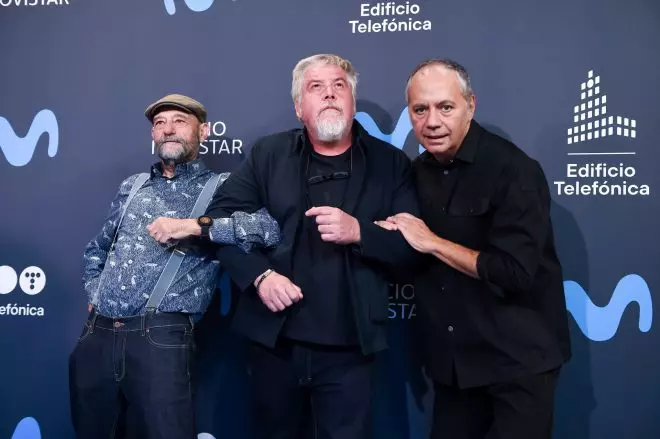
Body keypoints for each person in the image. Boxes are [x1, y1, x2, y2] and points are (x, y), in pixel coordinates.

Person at [204, 54, 420, 439]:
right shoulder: (266, 154)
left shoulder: (392, 164)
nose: (330, 95)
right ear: (299, 107)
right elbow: (221, 225)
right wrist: (260, 276)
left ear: (352, 101)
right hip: (274, 346)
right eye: (315, 87)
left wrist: (360, 231)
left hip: (352, 352)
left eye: (340, 86)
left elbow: (411, 248)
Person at [68, 94, 280, 439]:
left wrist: (195, 225)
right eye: (159, 123)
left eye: (180, 121)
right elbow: (97, 249)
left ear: (204, 131)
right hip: (97, 335)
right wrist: (95, 293)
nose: (168, 129)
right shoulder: (132, 186)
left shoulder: (222, 187)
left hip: (161, 336)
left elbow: (269, 229)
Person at [383, 59, 572, 439]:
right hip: (456, 368)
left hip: (517, 364)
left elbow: (514, 272)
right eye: (420, 109)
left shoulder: (514, 170)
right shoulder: (415, 174)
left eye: (445, 107)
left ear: (471, 104)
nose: (432, 121)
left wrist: (432, 243)